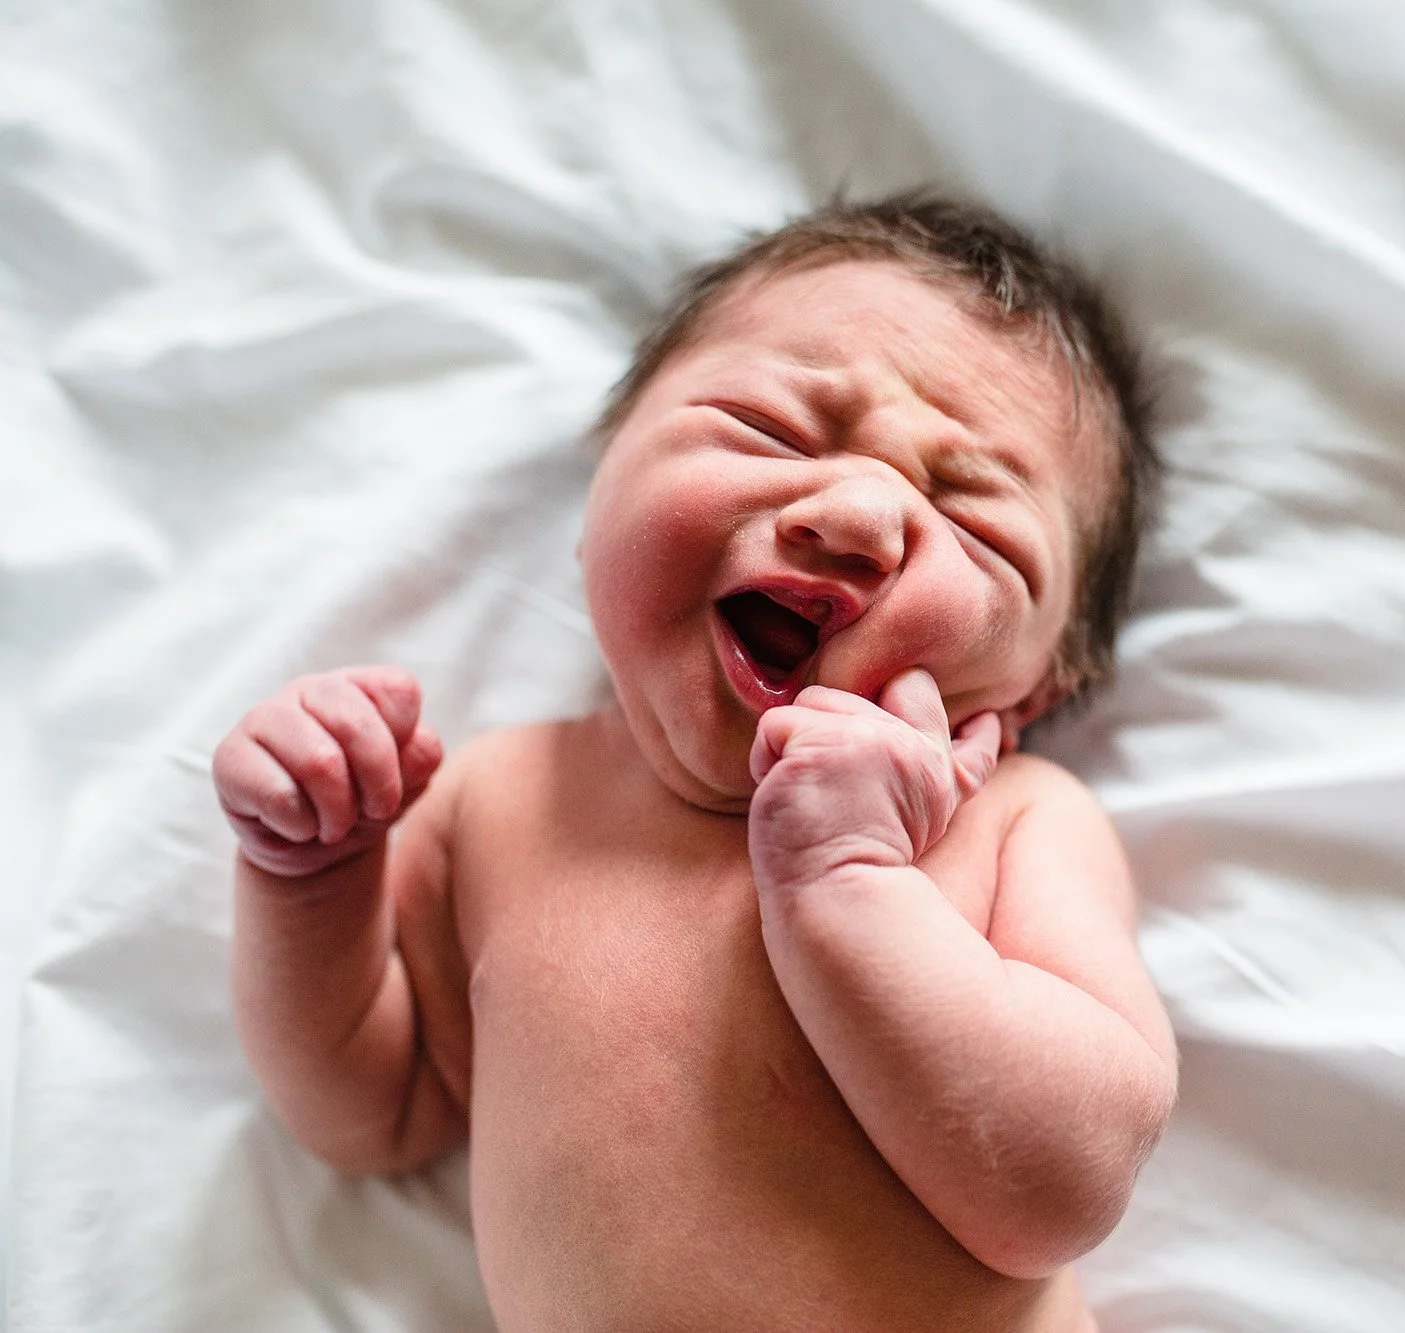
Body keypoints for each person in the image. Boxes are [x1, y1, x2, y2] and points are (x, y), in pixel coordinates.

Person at [212, 194, 1177, 1332]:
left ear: (1034, 687)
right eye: (771, 430)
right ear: (601, 486)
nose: (860, 512)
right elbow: (373, 1111)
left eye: (974, 522)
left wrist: (851, 884)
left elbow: (1058, 1190)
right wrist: (310, 880)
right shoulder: (498, 799)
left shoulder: (1013, 823)